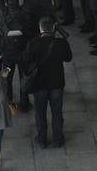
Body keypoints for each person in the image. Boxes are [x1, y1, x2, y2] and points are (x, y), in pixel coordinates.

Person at [24, 17, 71, 147]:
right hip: (56, 83)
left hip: (39, 84)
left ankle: (42, 139)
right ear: (53, 29)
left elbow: (26, 59)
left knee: (40, 113)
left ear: (40, 29)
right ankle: (58, 139)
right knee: (57, 112)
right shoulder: (60, 43)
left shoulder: (33, 43)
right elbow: (68, 58)